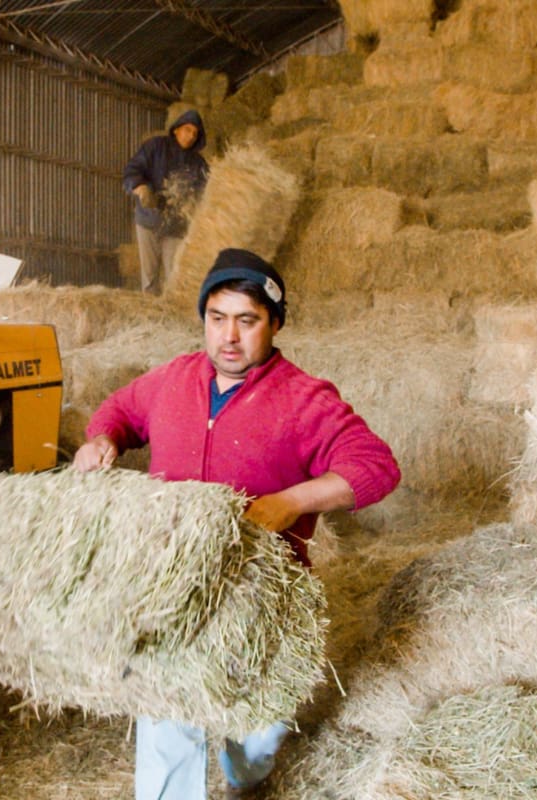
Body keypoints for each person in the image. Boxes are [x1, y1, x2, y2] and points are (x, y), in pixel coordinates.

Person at [73, 247, 401, 799]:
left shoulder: (304, 399)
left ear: (274, 324)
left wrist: (293, 501)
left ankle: (244, 777)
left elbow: (375, 467)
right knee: (166, 723)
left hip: (259, 598)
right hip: (171, 585)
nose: (229, 336)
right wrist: (101, 439)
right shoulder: (173, 379)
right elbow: (120, 411)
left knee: (255, 739)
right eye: (216, 318)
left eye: (247, 321)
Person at [122, 108, 209, 294]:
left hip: (176, 226)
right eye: (187, 129)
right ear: (176, 129)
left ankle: (172, 315)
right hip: (149, 219)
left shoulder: (199, 163)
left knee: (174, 277)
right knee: (149, 277)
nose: (191, 136)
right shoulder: (155, 147)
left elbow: (205, 193)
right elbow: (133, 169)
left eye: (195, 133)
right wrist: (140, 187)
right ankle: (152, 316)